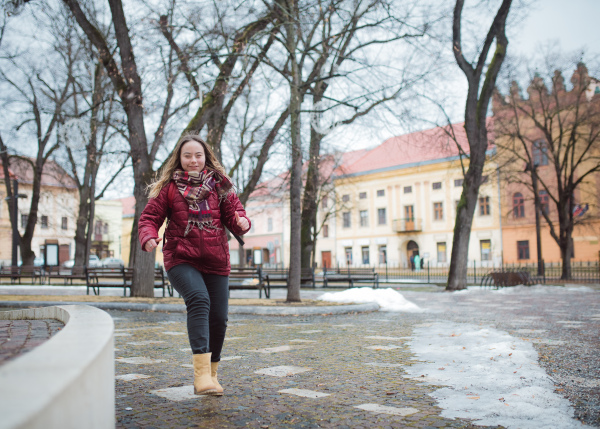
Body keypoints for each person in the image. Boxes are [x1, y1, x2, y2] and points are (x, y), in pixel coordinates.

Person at [138, 134, 250, 396]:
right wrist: (148, 236)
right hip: (181, 258)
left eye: (198, 155)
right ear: (179, 158)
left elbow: (236, 216)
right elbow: (149, 217)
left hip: (215, 259)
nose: (193, 160)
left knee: (219, 319)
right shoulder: (169, 188)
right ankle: (201, 377)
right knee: (199, 300)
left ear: (205, 157)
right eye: (187, 155)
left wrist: (242, 222)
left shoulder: (220, 186)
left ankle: (212, 374)